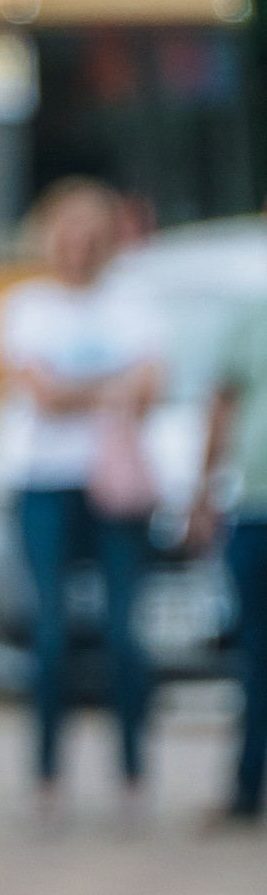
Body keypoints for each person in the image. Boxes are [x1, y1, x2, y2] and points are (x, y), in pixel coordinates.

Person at [0, 178, 167, 812]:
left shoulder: (133, 303)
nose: (78, 247)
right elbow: (42, 392)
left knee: (124, 635)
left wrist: (81, 388)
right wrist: (111, 387)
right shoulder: (25, 306)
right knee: (52, 634)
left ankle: (132, 771)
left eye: (90, 235)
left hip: (113, 487)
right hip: (43, 481)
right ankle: (46, 774)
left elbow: (151, 387)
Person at [188, 287, 267, 831]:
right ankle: (245, 791)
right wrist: (204, 490)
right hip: (256, 507)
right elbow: (224, 402)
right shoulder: (252, 318)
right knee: (254, 658)